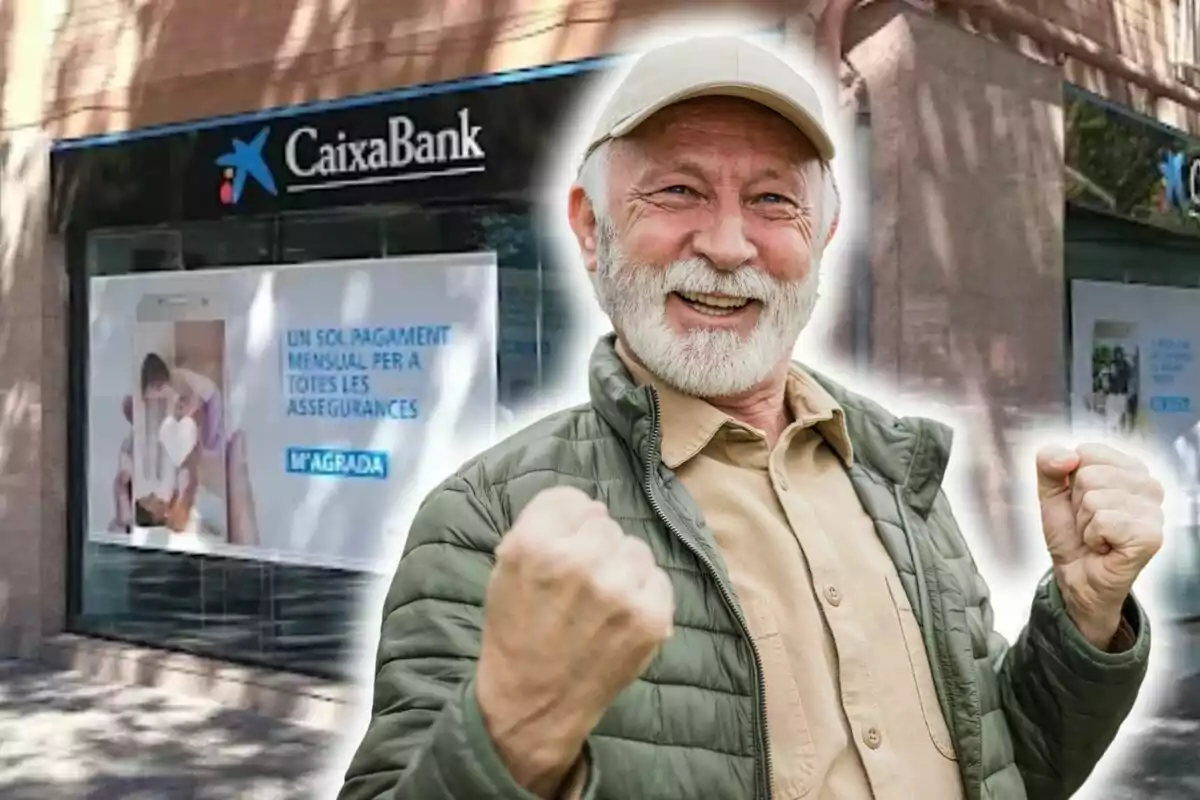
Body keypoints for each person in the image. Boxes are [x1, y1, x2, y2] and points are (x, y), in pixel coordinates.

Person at [338, 35, 1165, 800]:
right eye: (677, 190)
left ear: (823, 236)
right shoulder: (485, 518)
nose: (729, 244)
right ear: (593, 230)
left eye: (773, 200)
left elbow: (1006, 766)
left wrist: (1085, 612)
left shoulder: (895, 473)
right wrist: (510, 735)